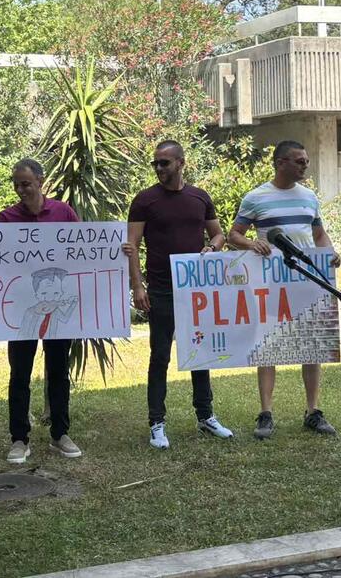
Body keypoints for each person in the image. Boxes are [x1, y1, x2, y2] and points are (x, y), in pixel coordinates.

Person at [0, 158, 83, 464]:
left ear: (41, 181)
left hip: (55, 311)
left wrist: (119, 253)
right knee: (20, 375)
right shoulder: (6, 219)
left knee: (58, 373)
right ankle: (18, 439)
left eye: (25, 183)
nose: (20, 189)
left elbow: (86, 251)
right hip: (20, 313)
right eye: (16, 184)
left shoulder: (63, 213)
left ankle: (60, 434)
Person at [122, 140, 234, 449]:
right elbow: (132, 246)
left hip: (195, 288)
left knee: (201, 352)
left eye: (165, 163)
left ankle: (205, 415)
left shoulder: (199, 197)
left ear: (181, 163)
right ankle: (157, 423)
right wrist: (138, 285)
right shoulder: (144, 200)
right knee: (159, 356)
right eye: (155, 163)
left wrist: (212, 248)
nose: (159, 168)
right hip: (160, 289)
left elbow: (219, 233)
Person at [226, 140, 341, 440]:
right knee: (267, 345)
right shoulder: (256, 197)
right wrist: (252, 242)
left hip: (306, 281)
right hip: (270, 282)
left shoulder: (309, 197)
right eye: (299, 161)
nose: (305, 165)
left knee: (311, 345)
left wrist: (328, 254)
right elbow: (233, 235)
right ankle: (266, 413)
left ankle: (313, 411)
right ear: (280, 163)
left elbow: (319, 234)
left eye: (305, 161)